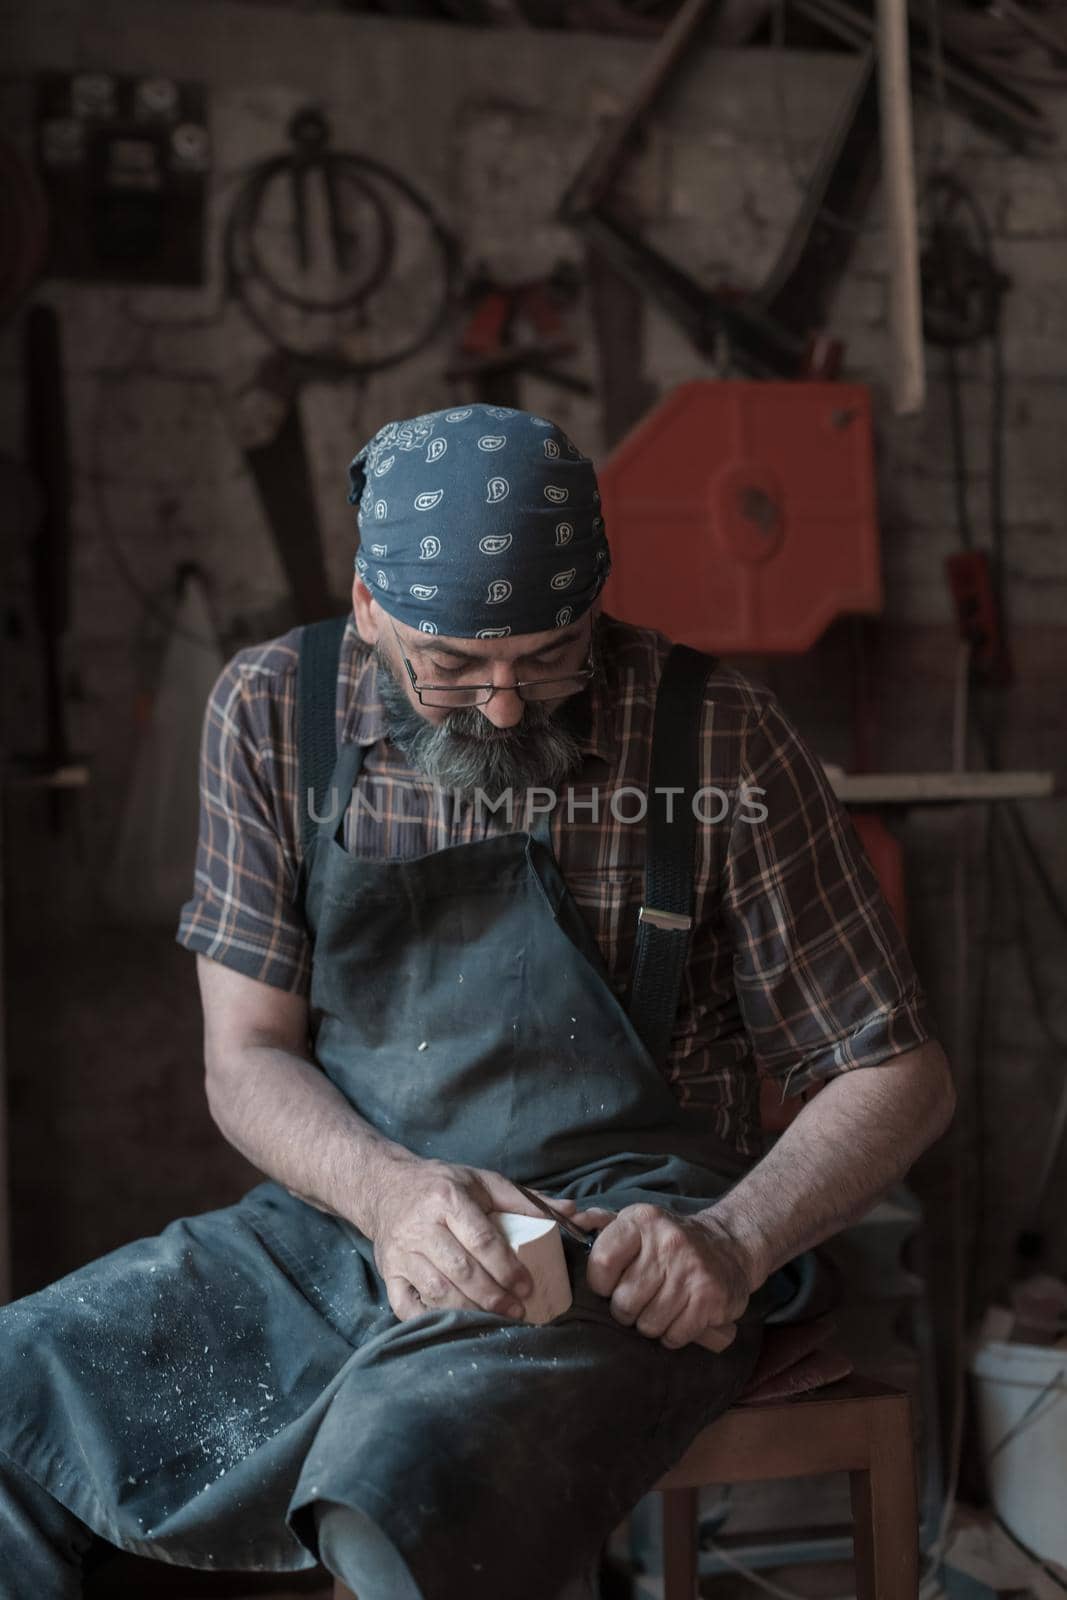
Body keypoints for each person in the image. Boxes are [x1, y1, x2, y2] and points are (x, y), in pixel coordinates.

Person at [0, 404, 955, 1599]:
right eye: (450, 669)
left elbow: (895, 1070)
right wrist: (389, 1194)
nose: (503, 707)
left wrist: (735, 1239)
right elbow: (245, 1052)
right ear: (367, 610)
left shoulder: (716, 738)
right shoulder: (270, 713)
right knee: (21, 1388)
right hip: (351, 1213)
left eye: (548, 659)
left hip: (622, 1247)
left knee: (402, 1476)